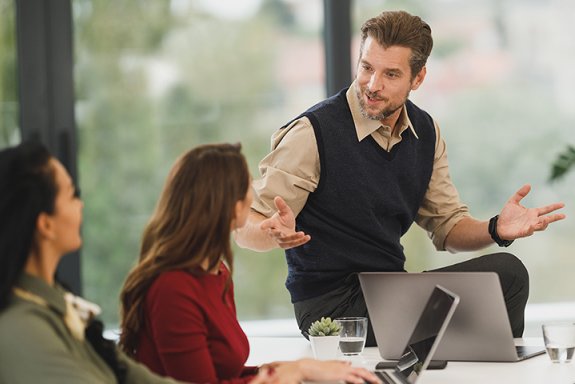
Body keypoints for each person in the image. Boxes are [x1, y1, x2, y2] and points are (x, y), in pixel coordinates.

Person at [233, 10, 566, 347]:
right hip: (330, 307)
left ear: (418, 78)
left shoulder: (424, 132)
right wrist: (268, 232)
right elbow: (248, 223)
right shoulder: (312, 132)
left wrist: (496, 228)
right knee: (481, 306)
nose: (373, 85)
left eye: (391, 74)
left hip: (391, 294)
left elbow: (447, 227)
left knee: (506, 277)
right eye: (366, 68)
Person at [118, 143, 380, 384]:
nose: (254, 193)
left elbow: (224, 373)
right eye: (248, 186)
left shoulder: (216, 272)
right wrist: (294, 372)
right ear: (230, 205)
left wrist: (294, 369)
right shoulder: (172, 288)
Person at [0, 140, 182, 384]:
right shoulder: (22, 329)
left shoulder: (54, 305)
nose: (81, 204)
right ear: (46, 225)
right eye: (72, 195)